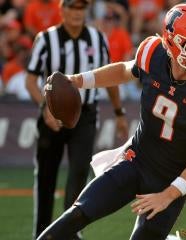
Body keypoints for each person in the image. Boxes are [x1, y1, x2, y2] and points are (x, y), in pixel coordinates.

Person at [36, 2, 186, 240]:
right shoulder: (152, 53)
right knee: (77, 215)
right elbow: (124, 70)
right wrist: (79, 80)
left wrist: (169, 194)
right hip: (135, 161)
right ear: (173, 42)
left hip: (169, 180)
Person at [25, 0, 128, 239]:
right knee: (46, 176)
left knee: (79, 172)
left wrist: (119, 112)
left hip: (85, 114)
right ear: (62, 10)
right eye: (72, 7)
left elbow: (110, 76)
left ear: (86, 11)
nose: (76, 13)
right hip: (52, 115)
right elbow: (31, 79)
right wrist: (44, 108)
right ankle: (40, 233)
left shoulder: (97, 38)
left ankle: (71, 233)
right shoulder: (46, 38)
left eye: (81, 8)